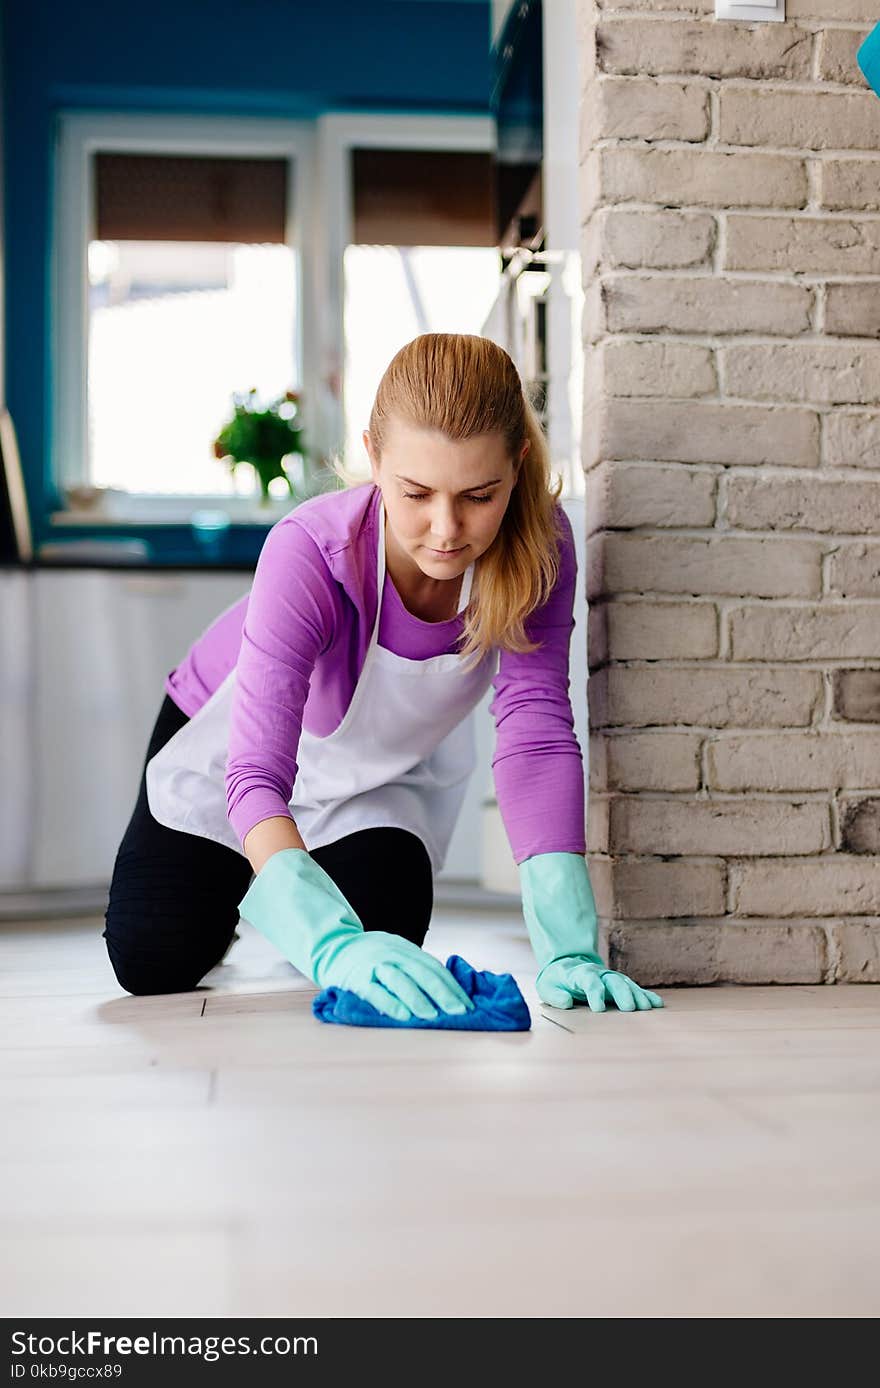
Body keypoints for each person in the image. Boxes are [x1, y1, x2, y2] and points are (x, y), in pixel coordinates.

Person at [103, 333, 662, 1020]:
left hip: (372, 775)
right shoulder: (310, 549)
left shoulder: (540, 547)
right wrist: (327, 944)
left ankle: (296, 899)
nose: (446, 529)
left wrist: (567, 947)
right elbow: (253, 774)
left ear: (517, 466)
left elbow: (536, 734)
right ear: (374, 456)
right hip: (233, 744)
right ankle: (265, 894)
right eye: (416, 493)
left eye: (478, 496)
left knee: (387, 930)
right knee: (154, 958)